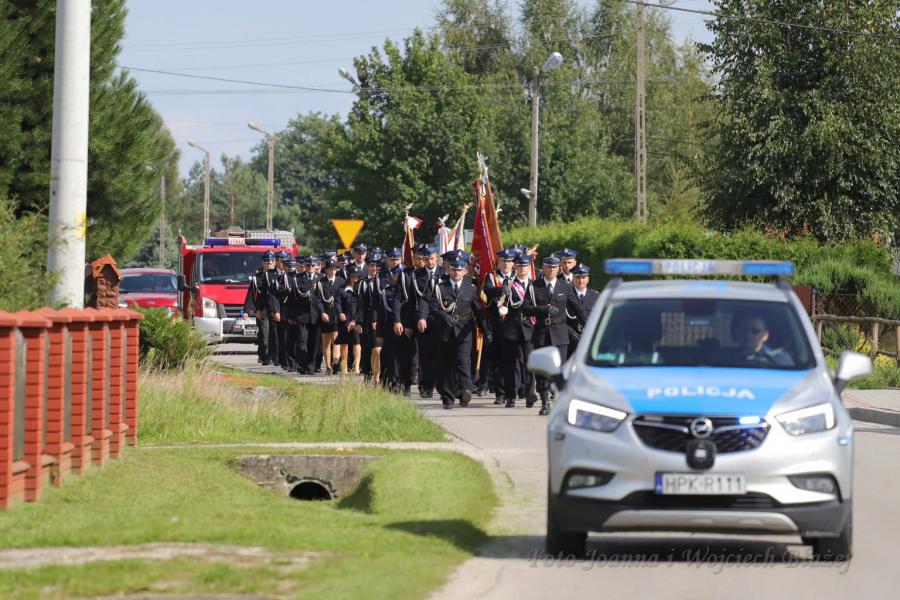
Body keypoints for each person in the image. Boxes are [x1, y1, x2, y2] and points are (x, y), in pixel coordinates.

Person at [418, 250, 486, 409]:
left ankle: (465, 390)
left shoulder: (470, 287)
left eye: (460, 269)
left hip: (464, 332)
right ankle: (448, 398)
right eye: (454, 269)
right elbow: (432, 305)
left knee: (463, 362)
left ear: (465, 270)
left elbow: (478, 310)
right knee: (446, 365)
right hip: (444, 332)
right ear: (448, 269)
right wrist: (443, 315)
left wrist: (486, 330)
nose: (457, 272)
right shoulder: (439, 286)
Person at [524, 255, 586, 415]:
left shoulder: (565, 286)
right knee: (543, 370)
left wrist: (589, 326)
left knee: (560, 370)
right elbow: (525, 309)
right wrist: (543, 309)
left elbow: (577, 308)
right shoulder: (534, 286)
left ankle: (559, 401)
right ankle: (544, 402)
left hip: (560, 332)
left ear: (559, 269)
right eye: (548, 267)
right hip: (541, 332)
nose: (551, 270)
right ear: (543, 267)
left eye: (554, 267)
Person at [494, 253, 537, 408]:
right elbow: (500, 302)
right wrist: (502, 295)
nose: (522, 268)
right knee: (510, 364)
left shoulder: (534, 284)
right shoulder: (509, 283)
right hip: (511, 328)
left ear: (529, 267)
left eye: (525, 265)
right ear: (515, 267)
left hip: (529, 328)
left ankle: (530, 393)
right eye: (519, 265)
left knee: (530, 363)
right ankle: (510, 396)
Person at [482, 248, 516, 404]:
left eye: (509, 261)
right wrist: (500, 289)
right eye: (504, 261)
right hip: (496, 324)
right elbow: (487, 290)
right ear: (499, 262)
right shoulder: (492, 276)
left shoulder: (517, 277)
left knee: (512, 360)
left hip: (513, 324)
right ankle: (500, 393)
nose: (506, 264)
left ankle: (513, 391)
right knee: (497, 360)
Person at [413, 244, 444, 398]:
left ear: (437, 257)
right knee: (425, 355)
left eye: (432, 258)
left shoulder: (444, 273)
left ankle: (441, 384)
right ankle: (426, 385)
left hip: (442, 320)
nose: (429, 262)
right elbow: (415, 300)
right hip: (424, 320)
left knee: (441, 355)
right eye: (426, 259)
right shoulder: (416, 275)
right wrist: (420, 318)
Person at [243, 251, 280, 366]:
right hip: (262, 308)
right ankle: (265, 356)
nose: (268, 265)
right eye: (266, 262)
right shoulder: (257, 275)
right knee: (264, 333)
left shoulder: (279, 275)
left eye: (270, 262)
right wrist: (247, 310)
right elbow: (251, 293)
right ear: (263, 263)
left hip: (275, 309)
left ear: (274, 262)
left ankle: (274, 356)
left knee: (275, 333)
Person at [316, 259, 343, 375]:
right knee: (326, 342)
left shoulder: (341, 282)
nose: (332, 271)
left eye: (334, 269)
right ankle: (328, 366)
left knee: (336, 341)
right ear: (326, 270)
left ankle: (335, 362)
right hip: (325, 316)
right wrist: (322, 312)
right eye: (330, 269)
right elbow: (317, 299)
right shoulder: (321, 282)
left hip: (336, 315)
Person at [567, 263, 600, 356]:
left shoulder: (596, 296)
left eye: (583, 277)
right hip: (571, 340)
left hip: (589, 339)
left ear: (588, 279)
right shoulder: (566, 296)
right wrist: (572, 334)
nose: (581, 280)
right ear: (573, 279)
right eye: (578, 277)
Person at [337, 265, 363, 375]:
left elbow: (362, 307)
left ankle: (356, 366)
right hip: (344, 320)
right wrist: (340, 313)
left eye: (357, 277)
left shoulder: (361, 289)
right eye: (353, 276)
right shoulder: (342, 289)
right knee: (344, 343)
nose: (355, 279)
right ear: (349, 277)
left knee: (357, 343)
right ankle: (344, 367)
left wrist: (355, 321)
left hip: (356, 320)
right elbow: (338, 303)